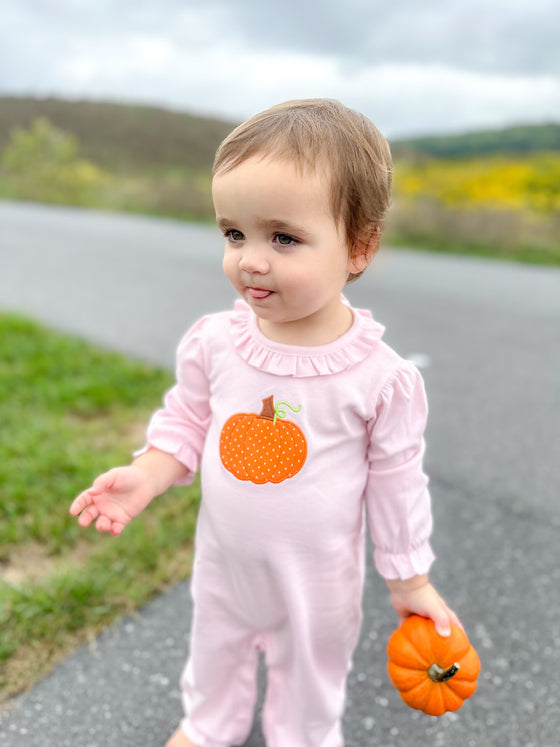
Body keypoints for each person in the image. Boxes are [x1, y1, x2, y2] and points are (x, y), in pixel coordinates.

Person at [70, 98, 462, 747]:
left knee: (310, 679)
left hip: (316, 579)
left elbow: (396, 482)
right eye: (234, 233)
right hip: (225, 558)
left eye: (282, 237)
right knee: (215, 649)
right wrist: (147, 472)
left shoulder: (379, 377)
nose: (250, 259)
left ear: (359, 246)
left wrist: (409, 577)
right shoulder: (216, 342)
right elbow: (188, 418)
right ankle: (208, 725)